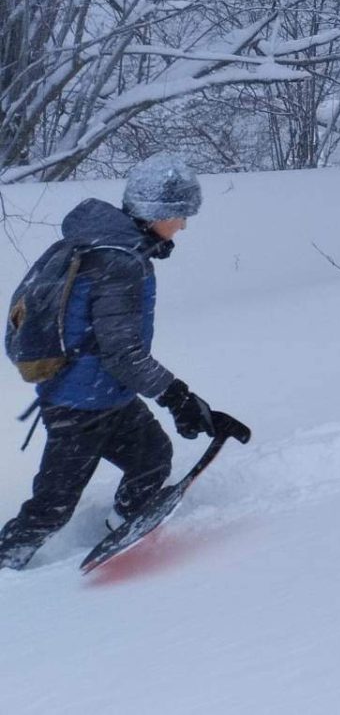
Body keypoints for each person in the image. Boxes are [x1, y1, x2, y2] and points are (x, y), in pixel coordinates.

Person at [1, 155, 248, 571]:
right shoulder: (119, 263)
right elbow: (122, 353)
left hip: (105, 393)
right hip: (77, 404)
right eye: (180, 215)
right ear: (157, 212)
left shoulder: (106, 245)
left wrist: (180, 399)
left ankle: (121, 524)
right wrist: (179, 398)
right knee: (52, 507)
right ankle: (6, 566)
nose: (183, 226)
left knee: (151, 457)